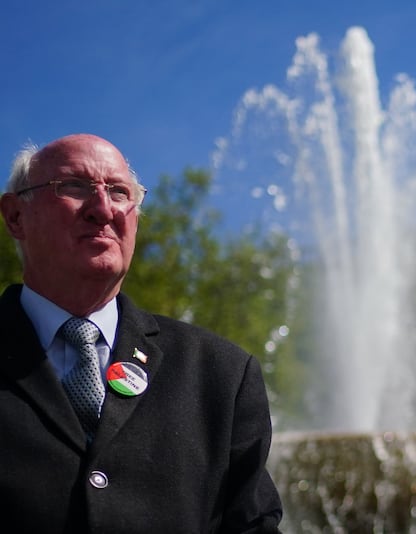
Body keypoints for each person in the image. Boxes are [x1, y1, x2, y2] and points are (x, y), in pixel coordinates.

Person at [0, 133, 283, 532]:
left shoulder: (222, 375)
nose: (102, 208)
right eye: (74, 188)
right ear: (15, 217)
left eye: (119, 192)